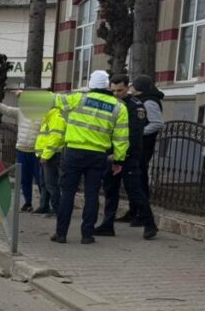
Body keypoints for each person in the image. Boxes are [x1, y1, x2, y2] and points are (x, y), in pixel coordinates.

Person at [52, 70, 129, 245]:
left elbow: (53, 100)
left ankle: (61, 234)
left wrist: (25, 96)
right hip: (98, 155)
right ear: (107, 86)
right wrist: (119, 160)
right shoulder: (119, 107)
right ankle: (87, 235)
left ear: (91, 85)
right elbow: (121, 137)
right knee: (92, 194)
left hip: (74, 153)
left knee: (67, 193)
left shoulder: (78, 98)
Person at [94, 75, 158, 240]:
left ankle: (149, 224)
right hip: (111, 155)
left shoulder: (135, 107)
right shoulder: (110, 104)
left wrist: (121, 155)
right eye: (113, 90)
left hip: (129, 156)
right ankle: (107, 224)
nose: (116, 94)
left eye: (120, 90)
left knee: (134, 190)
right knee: (110, 190)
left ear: (127, 88)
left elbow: (134, 135)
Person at [0, 95, 43, 212]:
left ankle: (44, 204)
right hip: (22, 150)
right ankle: (28, 203)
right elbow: (6, 110)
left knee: (40, 179)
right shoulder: (21, 112)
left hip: (37, 152)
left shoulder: (42, 116)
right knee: (24, 178)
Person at [122, 75, 165, 225]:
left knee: (140, 179)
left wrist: (138, 132)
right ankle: (133, 211)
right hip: (138, 145)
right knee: (133, 180)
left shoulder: (149, 102)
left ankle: (141, 214)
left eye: (133, 85)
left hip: (144, 146)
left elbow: (157, 123)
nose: (130, 88)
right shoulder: (140, 100)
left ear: (139, 88)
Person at [34, 93, 68, 217]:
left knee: (51, 184)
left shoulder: (56, 118)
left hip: (51, 156)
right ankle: (44, 206)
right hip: (45, 155)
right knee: (44, 183)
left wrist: (46, 155)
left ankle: (56, 209)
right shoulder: (48, 117)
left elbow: (55, 139)